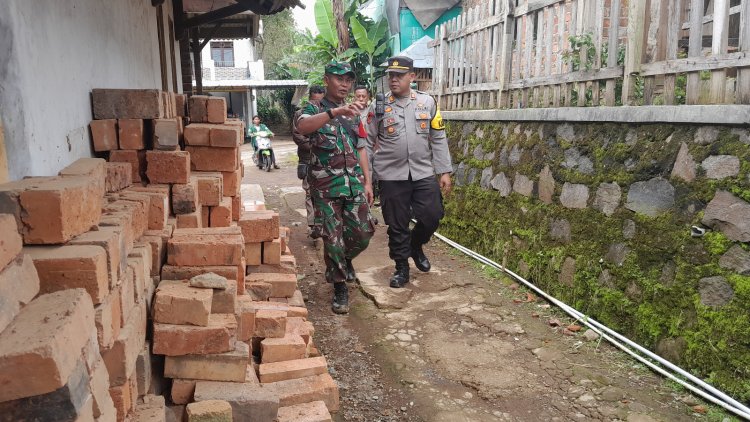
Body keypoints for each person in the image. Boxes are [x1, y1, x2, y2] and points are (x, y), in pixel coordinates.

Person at [365, 56, 453, 288]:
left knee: (432, 215)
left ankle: (416, 245)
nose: (393, 79)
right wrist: (367, 178)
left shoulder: (427, 103)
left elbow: (438, 137)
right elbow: (367, 142)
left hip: (422, 172)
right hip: (391, 175)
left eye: (399, 75)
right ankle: (401, 267)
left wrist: (444, 171)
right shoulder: (379, 106)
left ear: (411, 77)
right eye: (390, 75)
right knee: (397, 224)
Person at [296, 60, 375, 314]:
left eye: (348, 79)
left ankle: (345, 260)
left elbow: (361, 148)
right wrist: (334, 113)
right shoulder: (313, 108)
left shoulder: (354, 113)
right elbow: (302, 127)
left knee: (363, 233)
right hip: (325, 187)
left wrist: (368, 182)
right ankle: (339, 285)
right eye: (339, 78)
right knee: (332, 238)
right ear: (327, 79)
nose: (345, 84)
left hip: (353, 184)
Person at [292, 85, 326, 239]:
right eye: (314, 101)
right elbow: (297, 135)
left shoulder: (327, 113)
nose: (316, 105)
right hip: (307, 160)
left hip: (326, 162)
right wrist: (315, 146)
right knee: (309, 193)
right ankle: (313, 225)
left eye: (320, 102)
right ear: (310, 98)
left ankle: (324, 224)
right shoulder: (300, 114)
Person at [353, 86, 379, 203]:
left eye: (364, 96)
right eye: (358, 96)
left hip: (370, 151)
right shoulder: (350, 112)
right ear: (354, 97)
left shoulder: (372, 111)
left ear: (367, 97)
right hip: (354, 151)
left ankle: (368, 208)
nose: (361, 99)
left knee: (369, 178)